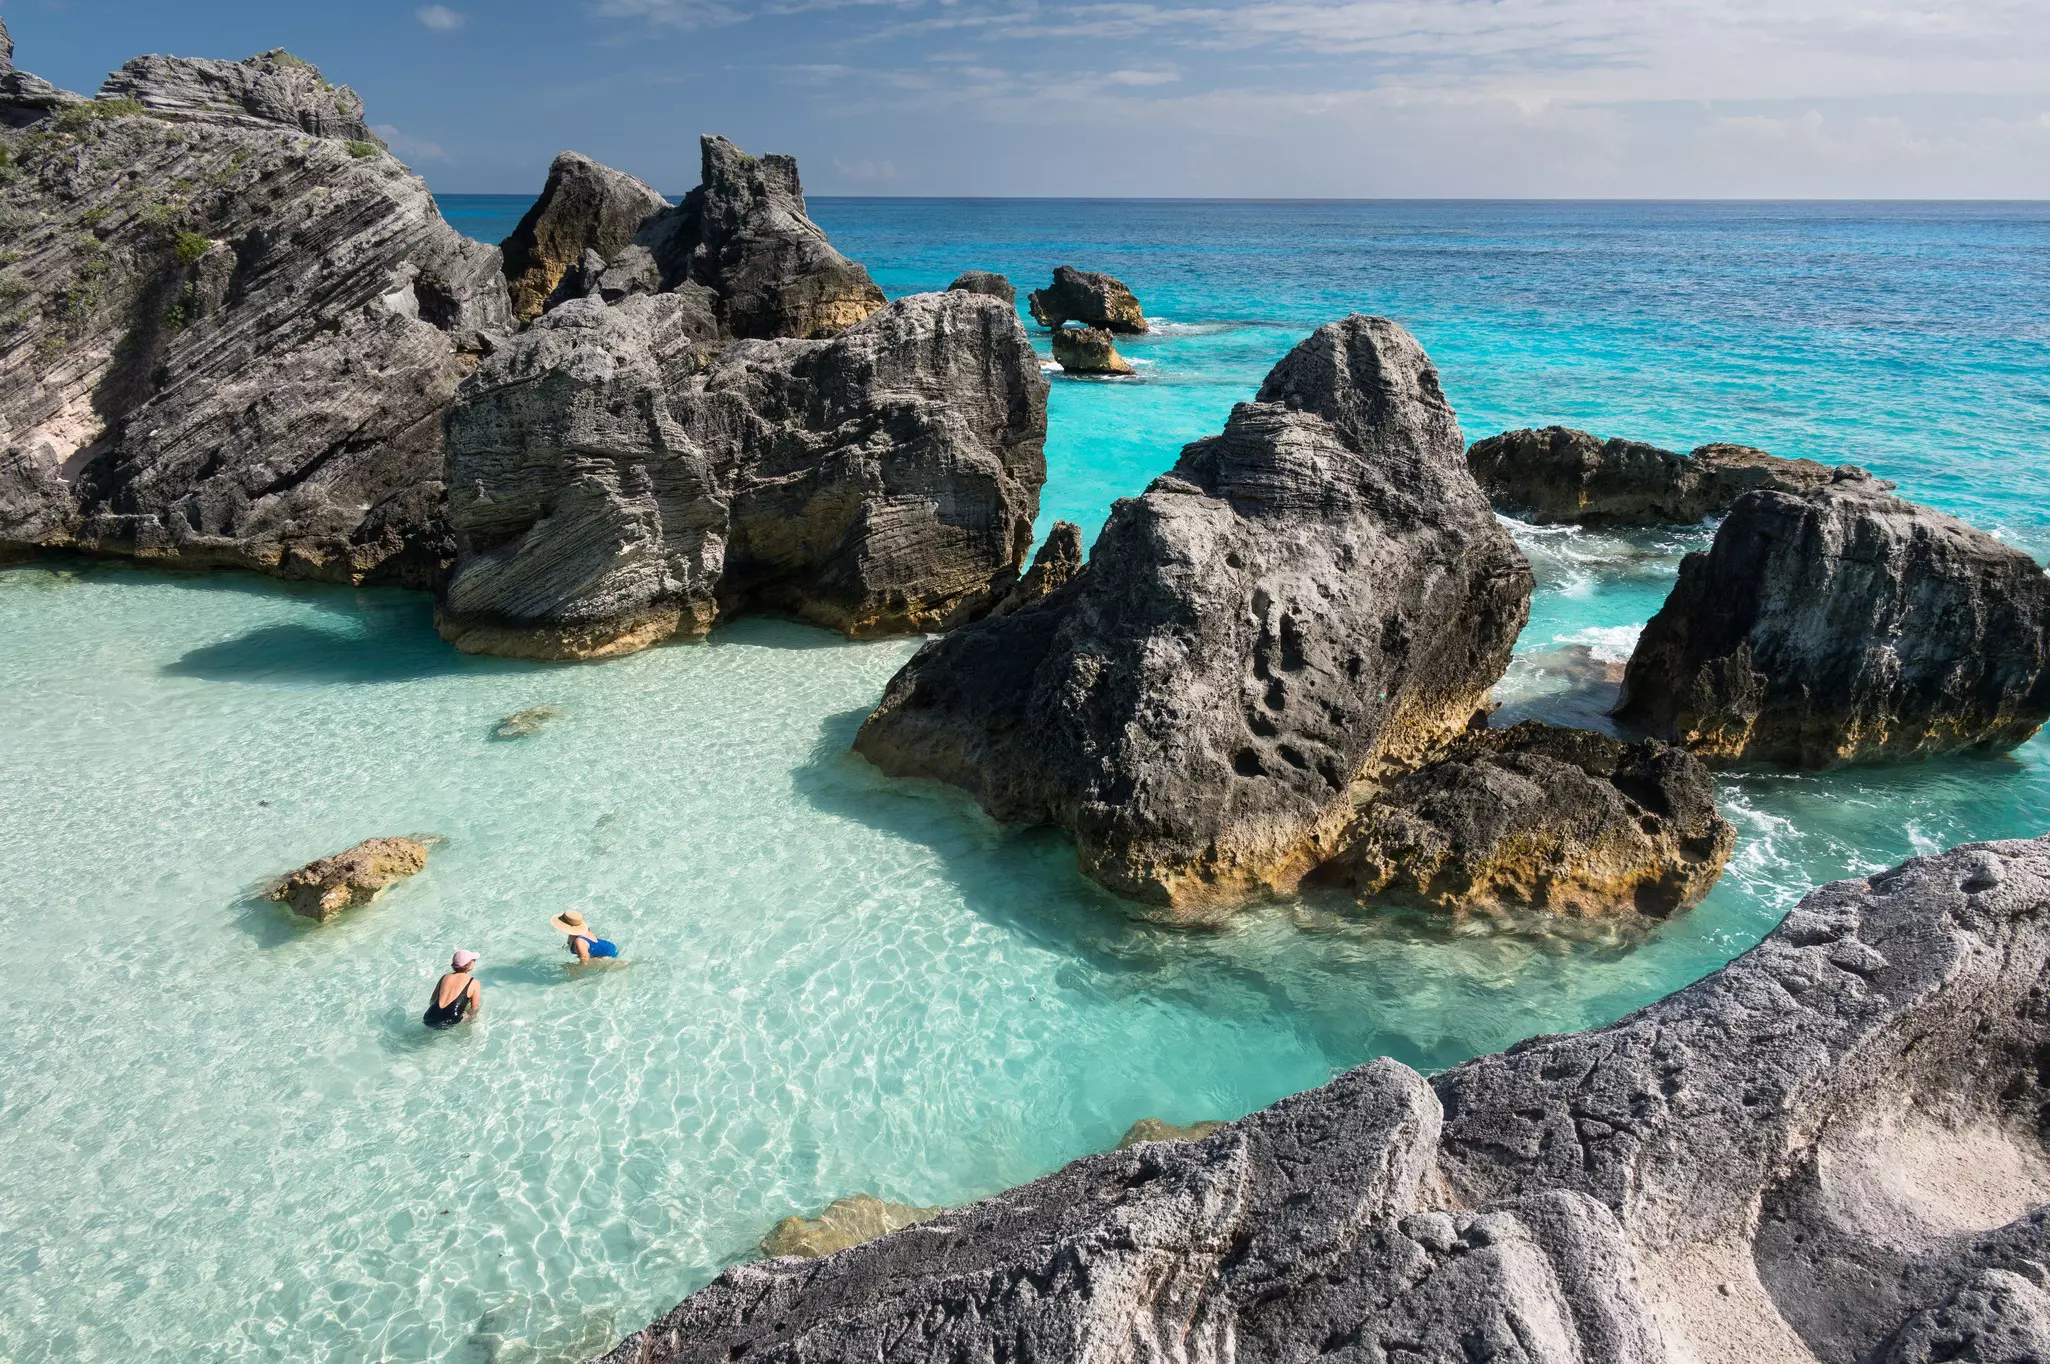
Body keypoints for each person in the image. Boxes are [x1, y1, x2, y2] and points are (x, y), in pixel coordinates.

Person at [423, 951, 481, 1029]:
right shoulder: (474, 982)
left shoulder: (445, 977)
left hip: (430, 1016)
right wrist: (469, 1020)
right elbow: (474, 1008)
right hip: (452, 1018)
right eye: (474, 960)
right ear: (470, 963)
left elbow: (432, 1000)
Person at [550, 911, 619, 964]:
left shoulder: (579, 942)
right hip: (606, 947)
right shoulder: (576, 934)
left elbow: (585, 963)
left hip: (607, 955)